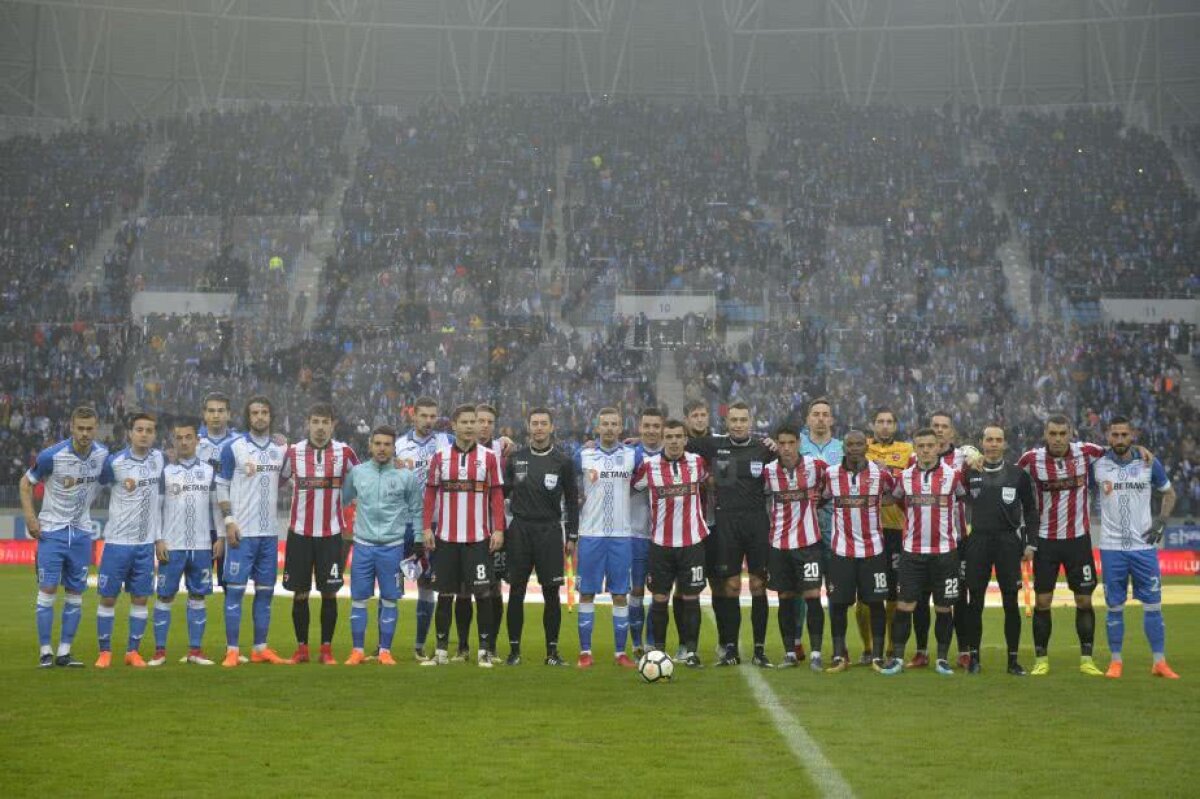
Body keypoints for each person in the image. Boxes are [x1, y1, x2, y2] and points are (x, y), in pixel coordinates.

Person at [1017, 414, 1111, 676]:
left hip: (1078, 541)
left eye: (1062, 433)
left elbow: (1118, 451)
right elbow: (1008, 478)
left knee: (1084, 600)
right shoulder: (1031, 459)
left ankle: (1086, 659)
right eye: (1053, 433)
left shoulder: (1087, 452)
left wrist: (1140, 451)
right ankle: (1041, 659)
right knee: (1043, 601)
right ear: (1045, 435)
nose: (1058, 439)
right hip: (1045, 541)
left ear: (1071, 433)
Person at [687, 400, 774, 667]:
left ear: (750, 422)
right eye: (733, 420)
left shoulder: (763, 448)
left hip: (757, 522)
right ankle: (731, 649)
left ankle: (759, 650)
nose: (738, 425)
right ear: (726, 422)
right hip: (726, 523)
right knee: (732, 586)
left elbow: (791, 452)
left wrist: (775, 444)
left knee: (758, 585)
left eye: (742, 420)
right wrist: (637, 441)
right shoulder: (714, 444)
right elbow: (674, 440)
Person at [21, 406, 108, 668]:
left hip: (82, 534)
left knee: (75, 592)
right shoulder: (52, 456)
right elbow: (25, 483)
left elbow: (113, 481)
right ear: (71, 427)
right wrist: (31, 518)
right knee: (48, 589)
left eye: (89, 429)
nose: (84, 434)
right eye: (80, 428)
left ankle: (64, 652)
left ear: (96, 428)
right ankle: (45, 651)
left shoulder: (103, 455)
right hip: (52, 532)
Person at [1093, 416, 1179, 679]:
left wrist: (1161, 522)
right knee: (1114, 607)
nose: (1119, 439)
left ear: (1132, 435)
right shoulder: (1096, 464)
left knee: (1153, 605)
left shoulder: (1148, 462)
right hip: (1111, 548)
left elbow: (1169, 493)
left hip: (1143, 547)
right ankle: (1116, 662)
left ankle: (1159, 662)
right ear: (1107, 436)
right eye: (1115, 434)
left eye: (1124, 435)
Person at [420, 404, 506, 668]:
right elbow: (430, 493)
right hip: (446, 538)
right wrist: (426, 527)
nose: (470, 426)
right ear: (454, 425)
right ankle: (441, 652)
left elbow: (496, 495)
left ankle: (484, 652)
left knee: (483, 594)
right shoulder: (440, 457)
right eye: (465, 422)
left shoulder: (489, 457)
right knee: (445, 594)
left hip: (478, 539)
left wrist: (499, 529)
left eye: (473, 422)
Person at [881, 427, 966, 676]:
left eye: (930, 446)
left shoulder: (953, 476)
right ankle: (898, 659)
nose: (926, 450)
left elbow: (963, 500)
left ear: (938, 447)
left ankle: (942, 659)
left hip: (945, 553)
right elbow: (894, 499)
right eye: (921, 446)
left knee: (943, 607)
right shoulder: (905, 477)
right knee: (905, 605)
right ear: (915, 449)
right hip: (912, 553)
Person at [216, 395, 292, 667]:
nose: (260, 417)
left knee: (265, 592)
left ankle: (260, 648)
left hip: (269, 533)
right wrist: (229, 521)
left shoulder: (281, 450)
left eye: (264, 412)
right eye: (255, 413)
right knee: (235, 591)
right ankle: (232, 650)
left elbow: (285, 479)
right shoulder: (234, 447)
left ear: (271, 417)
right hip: (242, 532)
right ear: (248, 417)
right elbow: (221, 485)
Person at [282, 403, 359, 665]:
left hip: (332, 535)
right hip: (299, 534)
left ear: (333, 424)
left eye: (325, 422)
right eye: (315, 421)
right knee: (300, 593)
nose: (320, 427)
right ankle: (301, 649)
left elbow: (363, 478)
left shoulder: (345, 452)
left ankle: (326, 650)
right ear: (308, 423)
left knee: (329, 592)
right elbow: (276, 480)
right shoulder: (293, 452)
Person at [960, 424, 1039, 675]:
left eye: (998, 440)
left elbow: (1031, 510)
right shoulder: (969, 472)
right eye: (989, 439)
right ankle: (974, 658)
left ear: (1004, 444)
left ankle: (1013, 661)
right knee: (975, 602)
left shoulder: (1018, 475)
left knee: (1010, 602)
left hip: (1007, 542)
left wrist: (1030, 542)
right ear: (982, 443)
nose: (994, 444)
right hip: (978, 541)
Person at [341, 425, 423, 666]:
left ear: (394, 447)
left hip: (393, 547)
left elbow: (417, 509)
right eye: (377, 443)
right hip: (363, 546)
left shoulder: (405, 476)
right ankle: (357, 651)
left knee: (390, 599)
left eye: (387, 444)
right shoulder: (357, 473)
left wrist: (418, 538)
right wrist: (342, 529)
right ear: (370, 446)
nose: (382, 448)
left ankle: (385, 651)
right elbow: (342, 500)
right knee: (358, 598)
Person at [504, 407, 578, 666]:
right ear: (528, 427)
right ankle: (514, 652)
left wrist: (572, 535)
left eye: (543, 423)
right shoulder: (515, 458)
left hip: (549, 531)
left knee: (551, 593)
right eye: (534, 423)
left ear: (551, 427)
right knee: (516, 591)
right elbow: (501, 494)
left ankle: (552, 653)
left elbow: (572, 501)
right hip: (520, 530)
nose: (538, 428)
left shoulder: (563, 461)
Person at [633, 419, 710, 668]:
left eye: (678, 436)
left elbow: (710, 480)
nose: (674, 441)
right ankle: (658, 652)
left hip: (692, 542)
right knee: (659, 598)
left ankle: (691, 652)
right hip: (661, 544)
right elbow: (632, 486)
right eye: (669, 437)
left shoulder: (698, 463)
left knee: (691, 597)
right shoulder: (648, 466)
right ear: (663, 439)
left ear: (686, 440)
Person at [95, 412, 165, 669]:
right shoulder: (115, 463)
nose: (144, 434)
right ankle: (105, 652)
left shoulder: (159, 459)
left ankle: (132, 652)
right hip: (117, 543)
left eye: (149, 430)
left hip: (145, 545)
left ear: (154, 435)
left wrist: (158, 538)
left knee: (141, 599)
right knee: (108, 599)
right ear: (130, 433)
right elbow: (95, 486)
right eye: (139, 430)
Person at [823, 430, 894, 673]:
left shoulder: (880, 474)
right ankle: (839, 655)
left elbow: (895, 495)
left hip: (873, 551)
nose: (854, 448)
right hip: (841, 551)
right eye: (850, 444)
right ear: (844, 447)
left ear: (867, 446)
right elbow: (820, 498)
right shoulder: (831, 474)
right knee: (838, 604)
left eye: (859, 444)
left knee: (875, 603)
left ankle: (877, 656)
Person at [152, 416, 221, 666]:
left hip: (201, 546)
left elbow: (216, 507)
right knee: (165, 597)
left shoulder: (210, 471)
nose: (183, 442)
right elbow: (156, 509)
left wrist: (220, 537)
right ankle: (160, 652)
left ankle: (195, 652)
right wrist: (158, 539)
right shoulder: (165, 473)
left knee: (198, 597)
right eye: (179, 438)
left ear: (197, 440)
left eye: (188, 437)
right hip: (173, 545)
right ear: (174, 441)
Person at [574, 408, 638, 668]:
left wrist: (640, 441)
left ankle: (620, 653)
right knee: (587, 593)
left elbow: (656, 451)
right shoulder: (582, 455)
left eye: (614, 424)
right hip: (591, 534)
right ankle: (585, 652)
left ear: (621, 427)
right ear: (597, 428)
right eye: (605, 424)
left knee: (620, 595)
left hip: (621, 536)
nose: (609, 428)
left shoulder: (633, 455)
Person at [762, 425, 827, 670]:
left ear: (799, 443)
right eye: (782, 443)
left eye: (791, 443)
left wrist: (820, 499)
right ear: (777, 445)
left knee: (812, 597)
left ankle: (816, 654)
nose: (787, 448)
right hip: (779, 546)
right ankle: (790, 653)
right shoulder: (768, 471)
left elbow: (833, 485)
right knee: (785, 599)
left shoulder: (816, 467)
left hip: (808, 545)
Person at [394, 396, 453, 660]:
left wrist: (502, 442)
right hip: (403, 525)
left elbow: (477, 444)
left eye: (433, 416)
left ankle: (419, 646)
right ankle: (384, 647)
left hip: (435, 525)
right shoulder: (398, 446)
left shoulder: (446, 442)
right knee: (392, 586)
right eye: (424, 416)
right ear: (413, 415)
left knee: (427, 585)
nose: (429, 421)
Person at [795, 397, 843, 660]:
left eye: (826, 414)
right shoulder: (796, 446)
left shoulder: (843, 448)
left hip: (835, 529)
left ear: (832, 419)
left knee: (836, 591)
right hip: (803, 527)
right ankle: (796, 642)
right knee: (803, 589)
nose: (821, 418)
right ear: (808, 419)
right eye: (816, 414)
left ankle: (838, 646)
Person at [865, 407, 913, 662]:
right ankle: (868, 649)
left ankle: (893, 647)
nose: (884, 426)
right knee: (866, 595)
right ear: (873, 425)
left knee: (894, 593)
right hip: (868, 531)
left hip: (896, 530)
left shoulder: (908, 451)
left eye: (889, 422)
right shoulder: (860, 448)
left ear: (895, 426)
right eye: (880, 421)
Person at [629, 408, 664, 656]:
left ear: (662, 428)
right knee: (636, 590)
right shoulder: (629, 455)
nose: (651, 430)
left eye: (656, 426)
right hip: (635, 533)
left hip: (663, 536)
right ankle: (636, 644)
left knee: (659, 591)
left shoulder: (672, 454)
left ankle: (652, 641)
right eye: (647, 425)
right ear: (640, 428)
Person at [197, 391, 238, 589]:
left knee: (231, 585)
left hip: (231, 522)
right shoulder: (192, 443)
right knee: (198, 587)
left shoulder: (239, 443)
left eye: (221, 411)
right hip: (199, 525)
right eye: (211, 411)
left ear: (229, 414)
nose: (216, 415)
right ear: (204, 414)